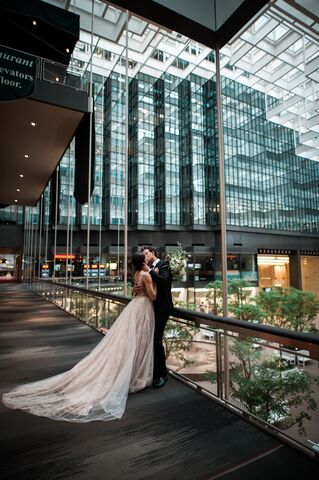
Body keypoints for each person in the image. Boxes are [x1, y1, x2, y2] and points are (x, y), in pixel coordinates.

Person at [2, 252, 156, 423]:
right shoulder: (147, 275)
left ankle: (129, 374)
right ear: (142, 262)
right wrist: (153, 282)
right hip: (143, 308)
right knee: (139, 340)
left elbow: (136, 291)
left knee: (132, 340)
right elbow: (153, 296)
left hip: (135, 306)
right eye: (145, 258)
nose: (147, 258)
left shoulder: (136, 274)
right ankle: (135, 376)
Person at [143, 247, 173, 389]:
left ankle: (162, 374)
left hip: (162, 308)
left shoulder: (164, 264)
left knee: (156, 339)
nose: (145, 256)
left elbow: (165, 282)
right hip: (150, 308)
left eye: (146, 253)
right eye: (143, 254)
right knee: (151, 340)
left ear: (153, 253)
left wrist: (150, 272)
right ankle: (153, 371)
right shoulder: (148, 269)